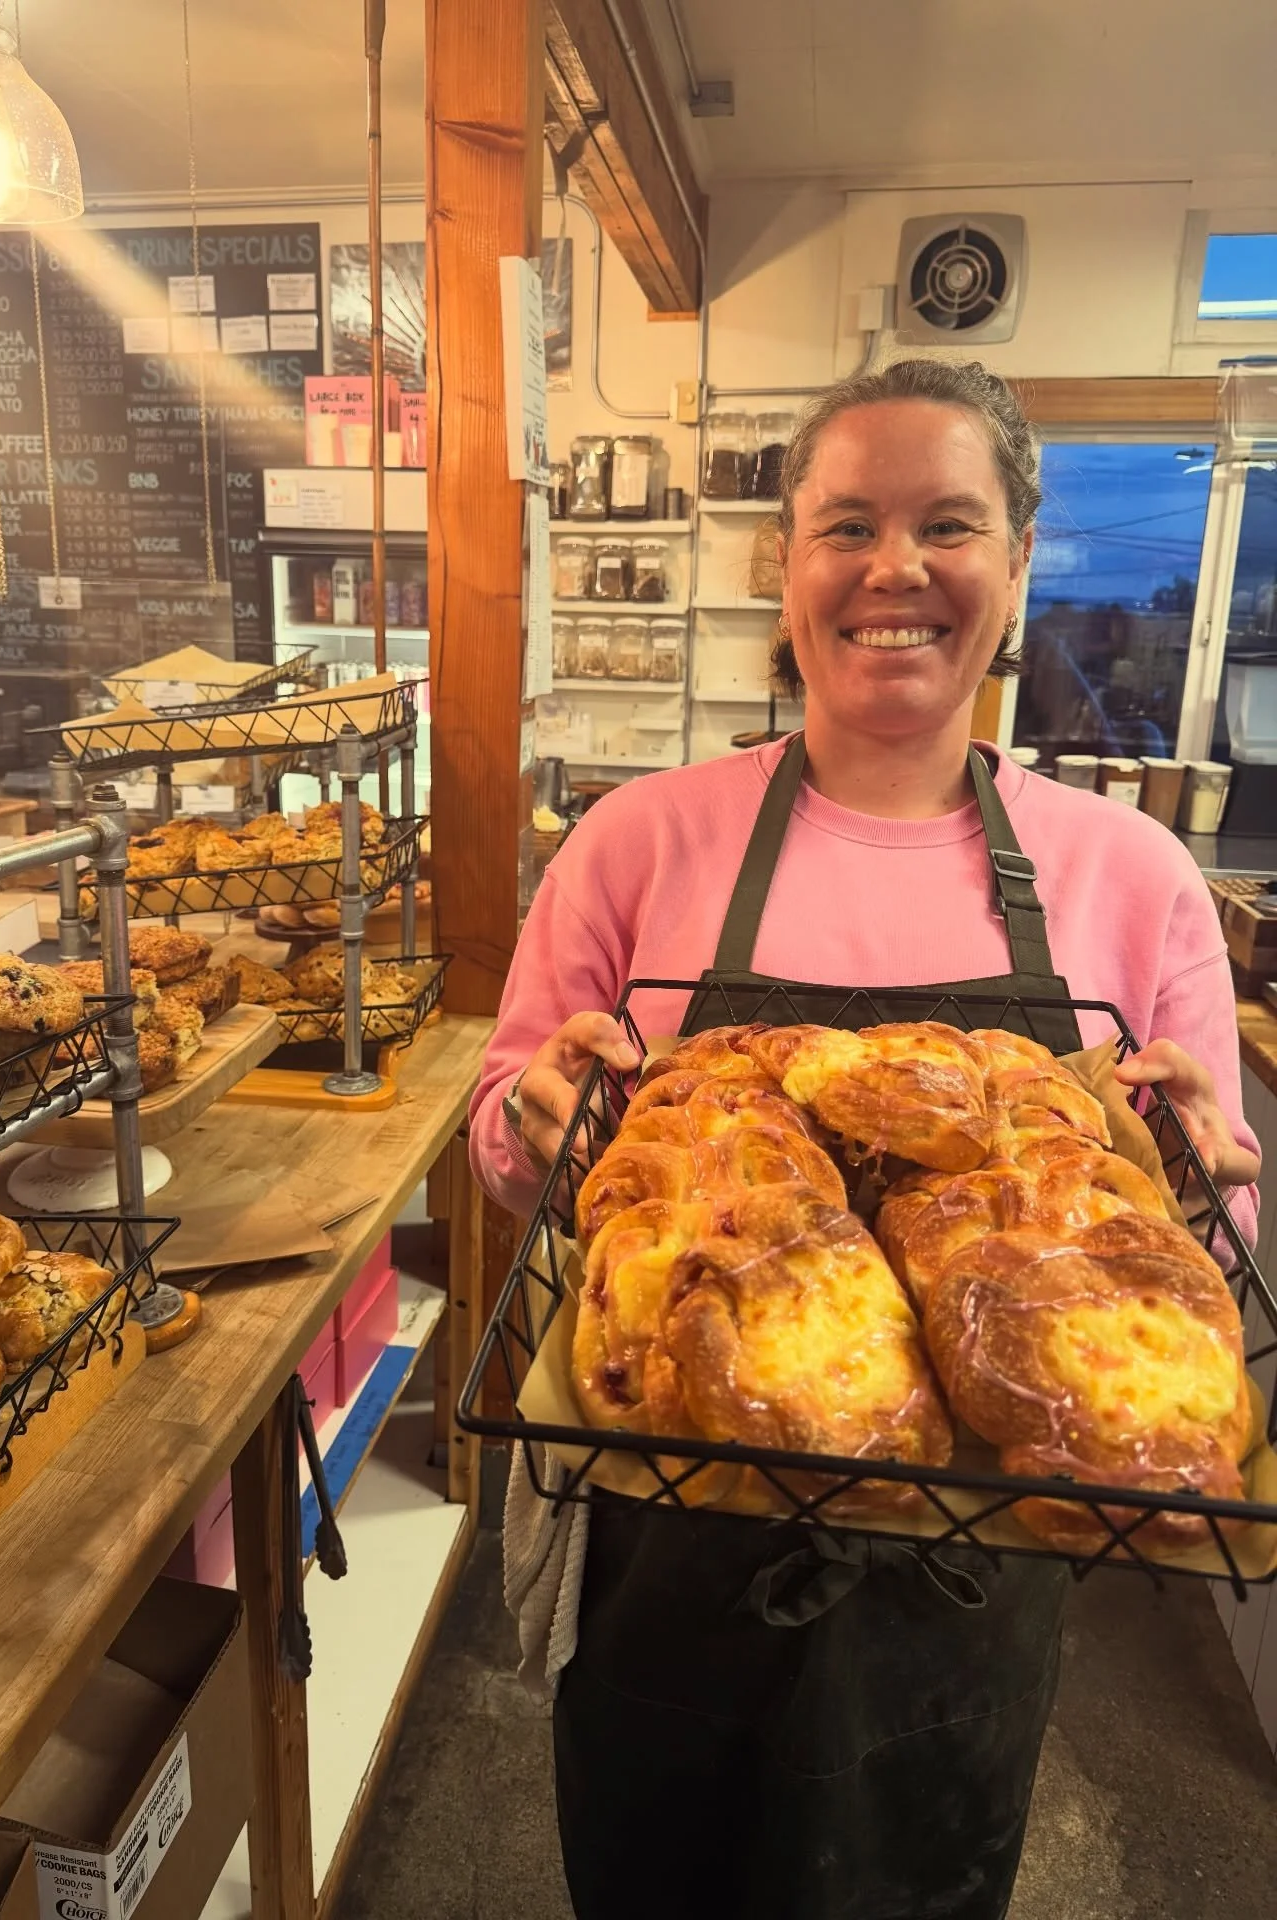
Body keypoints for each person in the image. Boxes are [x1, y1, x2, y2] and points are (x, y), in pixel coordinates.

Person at [469, 357, 1260, 1920]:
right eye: (847, 525)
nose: (894, 570)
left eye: (947, 524)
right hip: (665, 1551)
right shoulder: (639, 842)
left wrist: (1194, 1172)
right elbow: (516, 1141)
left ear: (1019, 562)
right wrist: (538, 1127)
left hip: (962, 1586)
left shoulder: (1132, 874)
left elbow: (1189, 1207)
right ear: (788, 565)